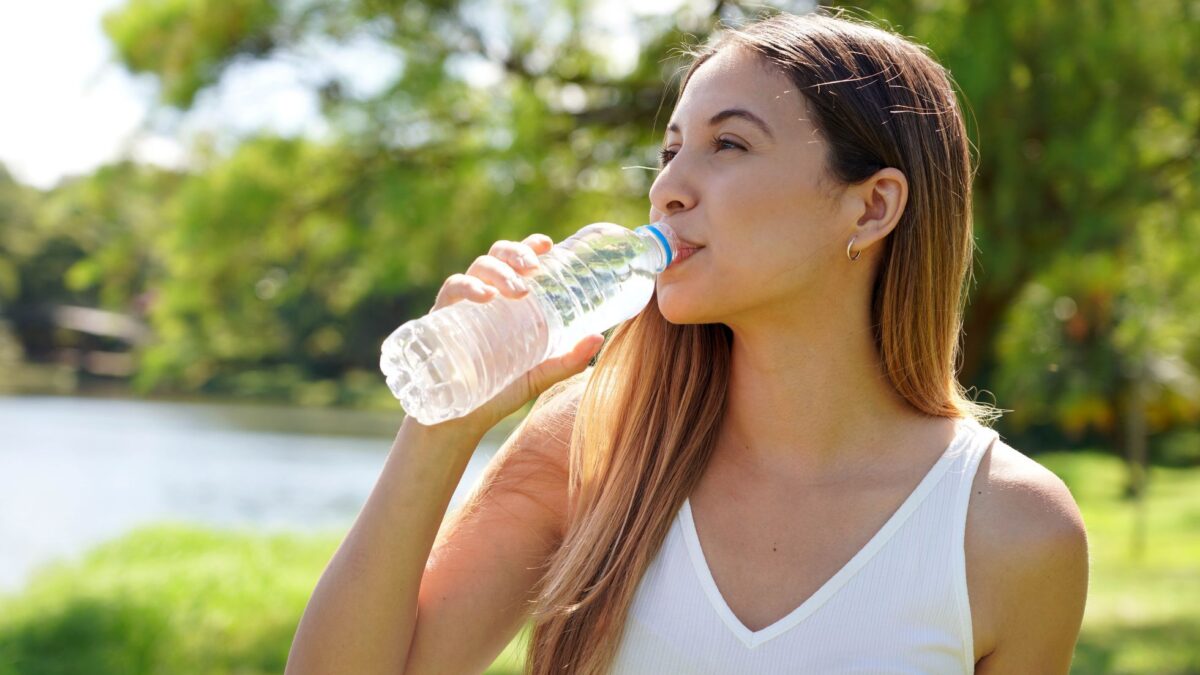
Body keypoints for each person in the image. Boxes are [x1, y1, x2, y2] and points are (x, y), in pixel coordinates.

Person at [286, 10, 1089, 675]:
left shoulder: (1008, 531)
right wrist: (445, 421)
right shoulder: (592, 449)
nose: (668, 186)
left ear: (871, 208)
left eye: (728, 145)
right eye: (670, 151)